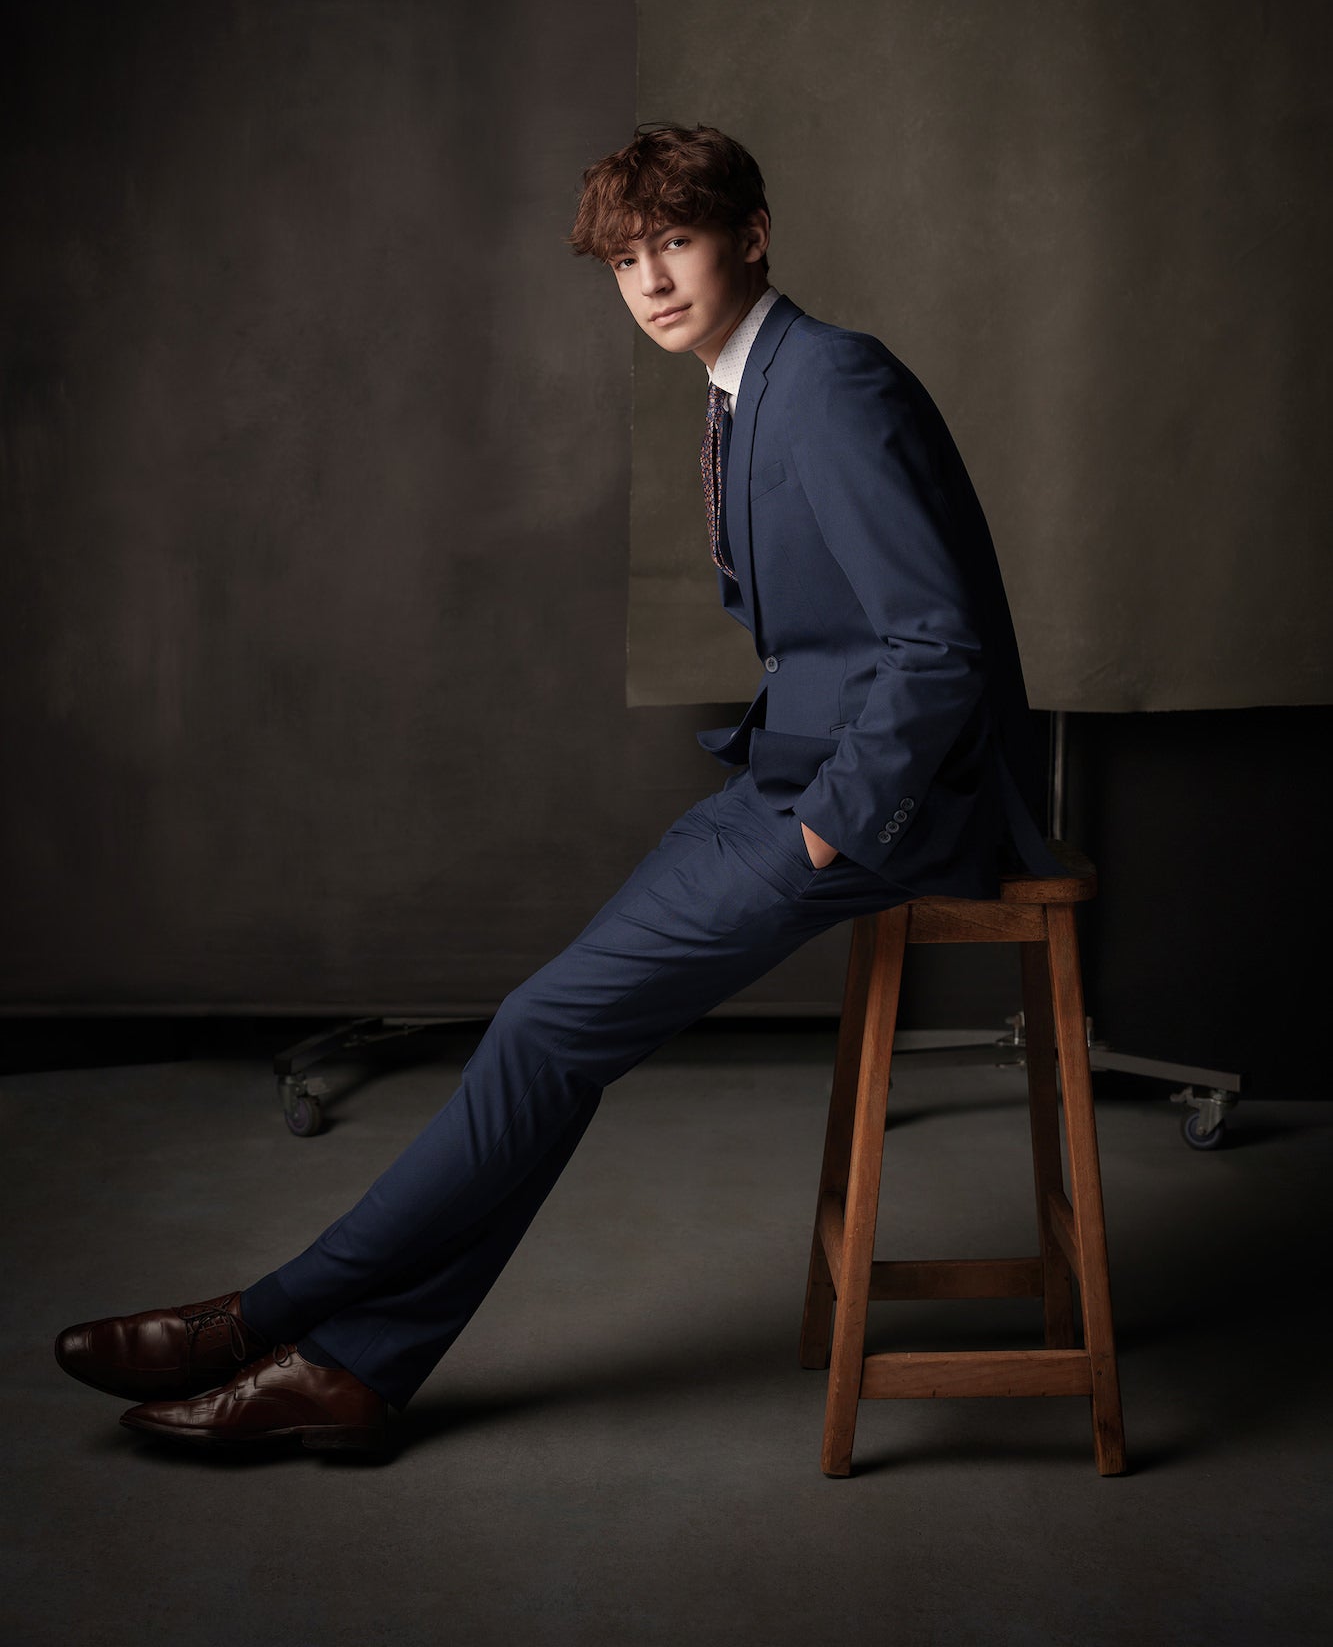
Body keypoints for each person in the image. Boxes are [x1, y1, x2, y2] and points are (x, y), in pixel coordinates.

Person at [54, 123, 1061, 1459]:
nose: (649, 280)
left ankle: (265, 1320)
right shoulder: (747, 386)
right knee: (546, 1038)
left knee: (540, 1036)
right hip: (784, 778)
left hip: (868, 811)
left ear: (750, 235)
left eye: (678, 243)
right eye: (627, 258)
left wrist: (828, 827)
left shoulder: (827, 386)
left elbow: (936, 645)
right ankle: (350, 1367)